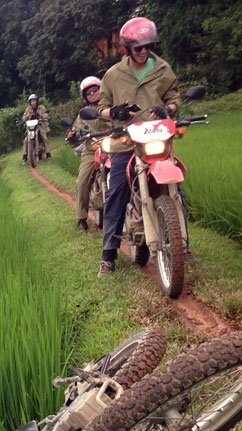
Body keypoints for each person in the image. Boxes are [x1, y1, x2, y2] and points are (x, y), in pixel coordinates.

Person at [95, 17, 180, 277]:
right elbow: (101, 109)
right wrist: (115, 111)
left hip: (156, 139)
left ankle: (180, 245)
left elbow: (174, 97)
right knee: (117, 192)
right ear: (126, 49)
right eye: (138, 48)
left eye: (148, 46)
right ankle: (108, 254)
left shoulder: (163, 69)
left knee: (176, 187)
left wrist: (170, 108)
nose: (144, 51)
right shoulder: (113, 75)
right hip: (125, 143)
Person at [66, 76, 108, 232]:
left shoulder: (111, 106)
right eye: (88, 92)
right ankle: (81, 218)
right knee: (82, 181)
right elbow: (76, 131)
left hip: (115, 147)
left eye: (95, 90)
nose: (93, 94)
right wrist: (72, 135)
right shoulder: (83, 114)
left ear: (101, 89)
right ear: (84, 97)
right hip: (93, 149)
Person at [22, 94, 51, 161]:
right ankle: (24, 156)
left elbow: (46, 114)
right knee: (26, 140)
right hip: (30, 126)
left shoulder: (41, 108)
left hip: (39, 124)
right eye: (32, 101)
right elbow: (23, 118)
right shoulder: (28, 109)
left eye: (34, 101)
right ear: (30, 102)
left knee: (44, 136)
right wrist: (28, 115)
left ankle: (48, 154)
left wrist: (41, 115)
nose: (33, 102)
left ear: (37, 101)